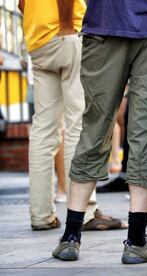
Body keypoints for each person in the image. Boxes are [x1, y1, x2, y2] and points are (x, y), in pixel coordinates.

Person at [52, 0, 147, 263]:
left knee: (94, 127)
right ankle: (137, 241)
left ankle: (71, 236)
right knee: (146, 134)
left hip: (104, 26)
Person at [19, 0, 122, 231]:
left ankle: (41, 215)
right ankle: (85, 212)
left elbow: (21, 4)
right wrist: (66, 25)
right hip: (66, 35)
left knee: (43, 130)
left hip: (38, 40)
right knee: (78, 124)